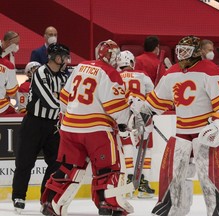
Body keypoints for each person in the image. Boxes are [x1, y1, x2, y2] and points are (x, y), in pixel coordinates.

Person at [132, 36, 219, 216]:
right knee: (174, 173)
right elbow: (157, 102)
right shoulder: (172, 72)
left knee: (208, 175)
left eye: (185, 51)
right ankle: (172, 208)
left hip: (204, 131)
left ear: (196, 52)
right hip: (182, 131)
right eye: (179, 50)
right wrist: (143, 112)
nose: (181, 54)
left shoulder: (210, 70)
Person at [40, 40, 134, 216]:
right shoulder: (110, 73)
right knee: (107, 169)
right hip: (96, 130)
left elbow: (64, 98)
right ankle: (108, 204)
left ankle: (50, 201)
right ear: (112, 55)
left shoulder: (81, 66)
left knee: (69, 167)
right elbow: (116, 109)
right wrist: (128, 120)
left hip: (69, 127)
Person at [12, 43, 70, 214]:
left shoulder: (64, 77)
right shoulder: (40, 72)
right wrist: (63, 105)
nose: (66, 60)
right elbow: (48, 99)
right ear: (54, 57)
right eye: (63, 57)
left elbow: (67, 97)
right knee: (25, 161)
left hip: (53, 125)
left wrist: (62, 103)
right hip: (33, 123)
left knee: (55, 163)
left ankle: (46, 197)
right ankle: (19, 196)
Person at [116, 50, 155, 198]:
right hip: (142, 112)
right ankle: (144, 182)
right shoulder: (142, 75)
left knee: (127, 145)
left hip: (123, 112)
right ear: (132, 62)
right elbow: (152, 94)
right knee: (146, 146)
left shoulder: (116, 76)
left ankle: (129, 181)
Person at [0, 31, 20, 115]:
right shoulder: (6, 63)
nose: (17, 46)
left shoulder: (10, 54)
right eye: (16, 43)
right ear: (9, 42)